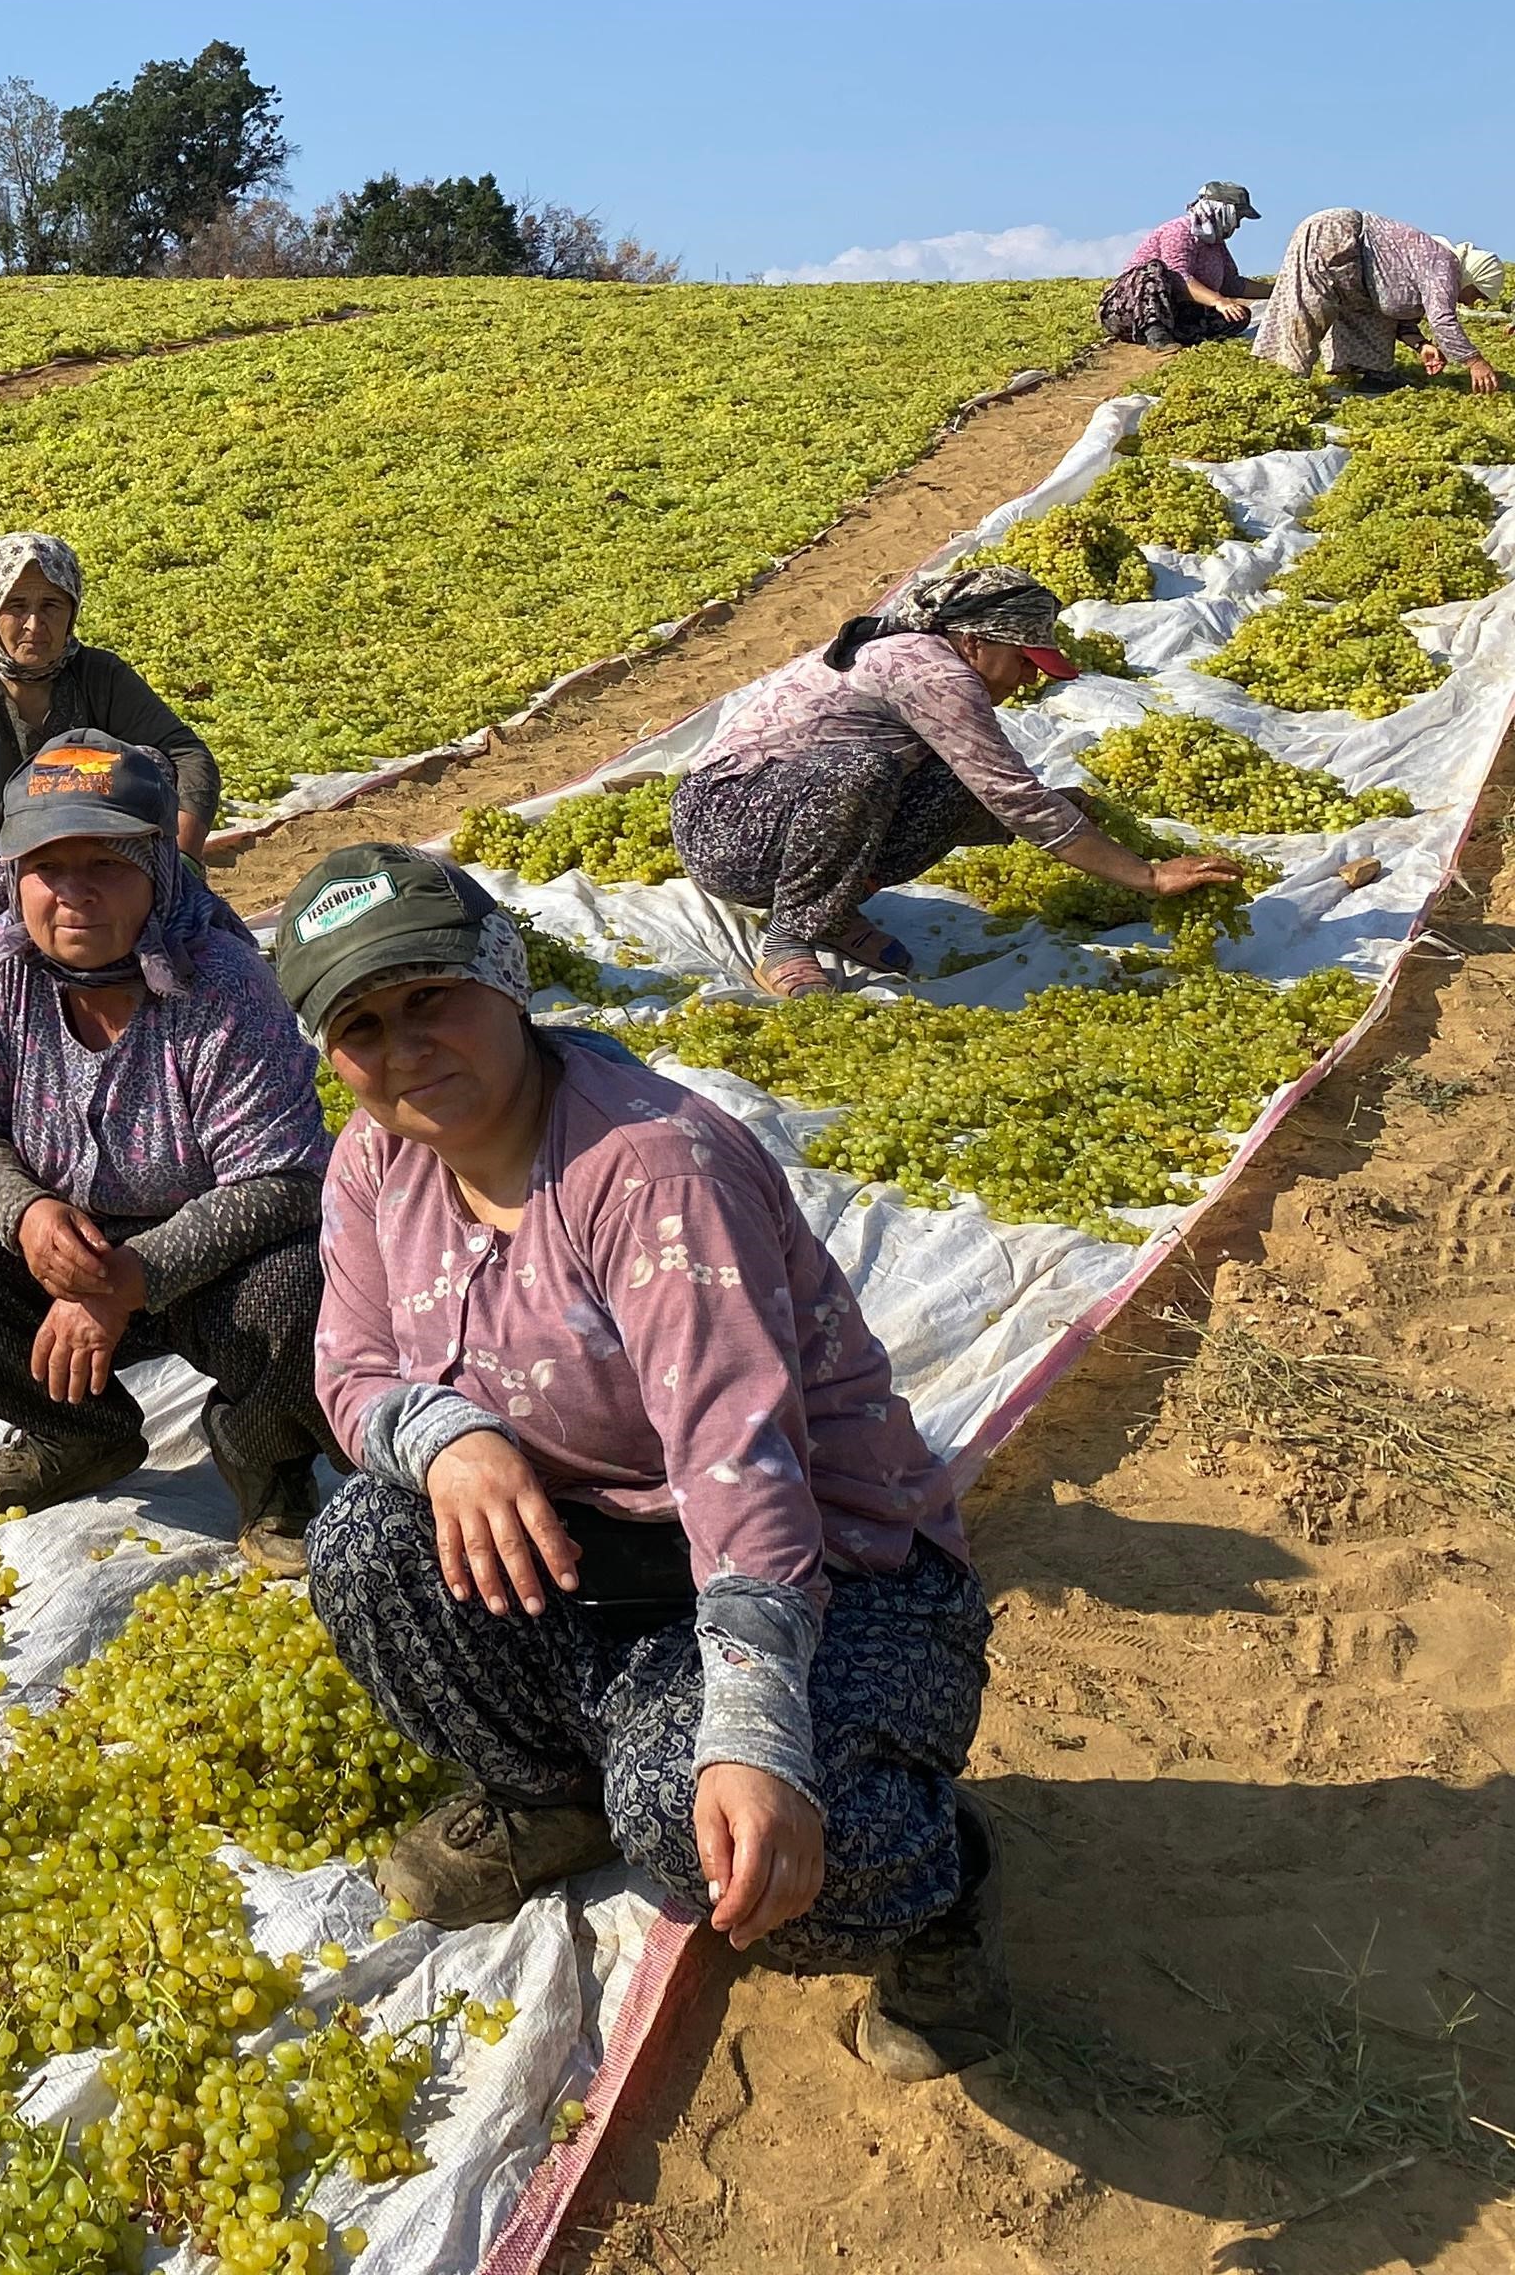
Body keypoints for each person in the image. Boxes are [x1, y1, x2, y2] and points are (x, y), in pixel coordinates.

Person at [268, 841, 1007, 2082]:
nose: (405, 1050)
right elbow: (350, 1375)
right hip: (609, 1556)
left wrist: (754, 1733)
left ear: (504, 979)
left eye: (431, 998)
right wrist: (447, 1439)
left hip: (832, 1570)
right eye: (364, 1025)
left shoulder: (650, 1170)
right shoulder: (375, 1161)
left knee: (700, 1823)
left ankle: (938, 1880)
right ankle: (555, 1794)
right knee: (367, 1540)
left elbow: (741, 1468)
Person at [0, 731, 333, 1558]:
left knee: (301, 1281)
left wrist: (131, 1279)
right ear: (17, 876)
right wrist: (28, 1213)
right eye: (49, 869)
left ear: (157, 871)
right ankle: (76, 1435)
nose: (74, 895)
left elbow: (284, 1179)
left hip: (208, 1266)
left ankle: (267, 1463)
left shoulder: (223, 987)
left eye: (108, 868)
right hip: (64, 1250)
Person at [669, 564, 1243, 997]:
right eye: (1023, 661)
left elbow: (994, 790)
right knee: (860, 772)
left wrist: (1046, 812)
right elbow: (1012, 797)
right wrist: (1145, 876)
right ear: (975, 641)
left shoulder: (936, 658)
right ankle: (788, 938)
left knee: (950, 779)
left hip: (783, 819)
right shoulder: (930, 670)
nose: (1025, 680)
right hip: (726, 830)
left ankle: (829, 911)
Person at [0, 532, 222, 1024]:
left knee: (150, 767)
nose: (35, 624)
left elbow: (187, 756)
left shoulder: (101, 678)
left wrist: (179, 859)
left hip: (95, 848)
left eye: (52, 604)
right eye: (16, 605)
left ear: (72, 609)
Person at [1258, 208, 1505, 394]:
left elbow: (1394, 310)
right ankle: (1287, 383)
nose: (1472, 303)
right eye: (1477, 294)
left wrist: (1421, 345)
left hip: (1356, 267)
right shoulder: (1444, 264)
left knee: (1366, 310)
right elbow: (1442, 319)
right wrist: (1475, 361)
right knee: (1311, 307)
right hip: (1336, 234)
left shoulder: (1432, 266)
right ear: (1473, 278)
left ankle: (1366, 371)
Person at [1095, 180, 1261, 348]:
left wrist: (1277, 290)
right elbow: (1178, 276)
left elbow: (1231, 284)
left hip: (1177, 313)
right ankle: (1156, 334)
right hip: (1132, 310)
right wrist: (1217, 300)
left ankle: (1178, 333)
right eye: (1238, 217)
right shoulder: (1180, 230)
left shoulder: (1216, 244)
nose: (1238, 225)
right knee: (1153, 271)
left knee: (1238, 316)